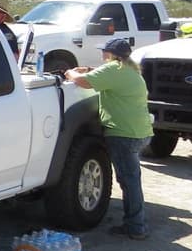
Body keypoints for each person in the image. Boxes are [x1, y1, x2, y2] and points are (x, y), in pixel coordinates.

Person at [64, 37, 152, 239]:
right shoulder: (130, 70)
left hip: (123, 134)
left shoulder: (114, 69)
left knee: (129, 182)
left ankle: (136, 226)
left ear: (113, 55)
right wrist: (89, 69)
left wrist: (71, 72)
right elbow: (100, 75)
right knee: (132, 179)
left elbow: (82, 82)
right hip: (139, 132)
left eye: (105, 52)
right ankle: (136, 224)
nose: (102, 54)